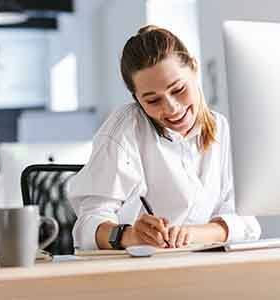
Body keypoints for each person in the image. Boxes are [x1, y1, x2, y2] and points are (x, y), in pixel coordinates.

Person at [69, 25, 261, 250]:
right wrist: (129, 235)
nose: (172, 108)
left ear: (194, 69)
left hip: (204, 264)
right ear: (137, 99)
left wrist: (191, 234)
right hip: (140, 270)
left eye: (178, 89)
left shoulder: (220, 128)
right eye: (152, 100)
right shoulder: (124, 130)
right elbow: (87, 227)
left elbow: (246, 222)